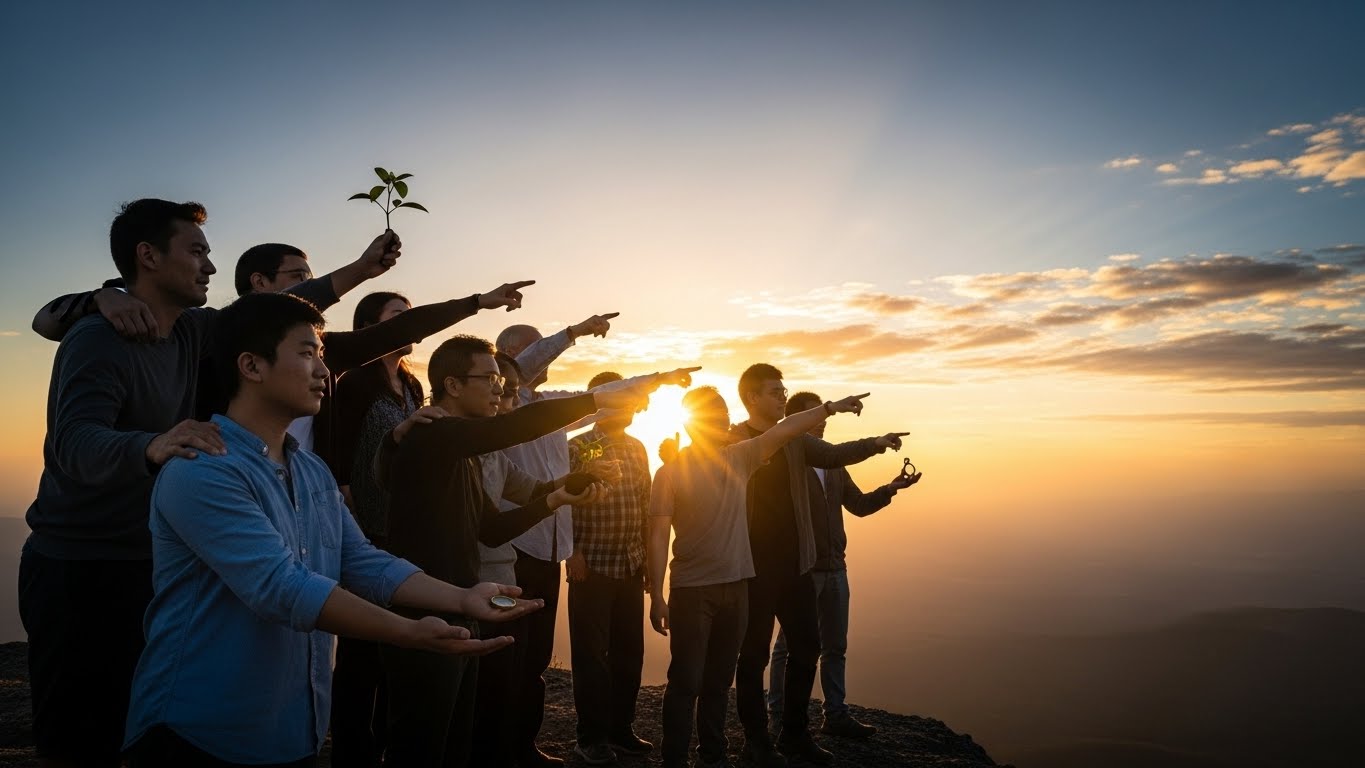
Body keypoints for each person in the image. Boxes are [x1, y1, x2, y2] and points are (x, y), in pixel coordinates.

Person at [122, 291, 543, 766]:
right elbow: (281, 588)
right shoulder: (203, 470)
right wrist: (407, 632)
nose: (324, 371)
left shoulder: (310, 471)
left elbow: (358, 559)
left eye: (322, 355)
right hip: (197, 735)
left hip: (291, 733)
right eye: (307, 354)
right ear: (251, 366)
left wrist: (459, 599)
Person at [20, 199, 236, 768]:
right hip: (79, 570)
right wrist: (151, 443)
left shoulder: (191, 329)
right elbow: (74, 443)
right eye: (197, 251)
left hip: (150, 560)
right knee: (79, 742)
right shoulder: (97, 338)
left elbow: (276, 314)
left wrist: (361, 272)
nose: (211, 266)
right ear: (148, 255)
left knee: (140, 728)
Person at [371, 335, 652, 768]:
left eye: (503, 381)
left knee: (459, 737)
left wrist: (559, 498)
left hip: (464, 604)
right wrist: (595, 397)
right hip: (425, 609)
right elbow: (515, 426)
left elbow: (492, 528)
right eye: (491, 379)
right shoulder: (432, 435)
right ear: (453, 384)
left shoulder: (465, 455)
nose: (501, 390)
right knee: (419, 743)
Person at [496, 315, 697, 767]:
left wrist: (657, 381)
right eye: (534, 349)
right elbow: (568, 491)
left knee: (550, 662)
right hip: (521, 552)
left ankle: (550, 743)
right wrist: (570, 334)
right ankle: (551, 743)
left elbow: (639, 499)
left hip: (590, 556)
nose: (541, 356)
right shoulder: (512, 417)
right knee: (526, 658)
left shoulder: (568, 419)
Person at [647, 387, 871, 768]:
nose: (718, 421)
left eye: (721, 415)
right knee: (686, 681)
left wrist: (829, 408)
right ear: (692, 423)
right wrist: (656, 595)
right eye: (709, 417)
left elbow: (784, 431)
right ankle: (674, 760)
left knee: (718, 682)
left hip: (737, 586)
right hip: (691, 589)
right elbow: (656, 536)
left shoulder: (741, 458)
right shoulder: (669, 473)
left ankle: (713, 757)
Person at [731, 364, 909, 767]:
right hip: (753, 567)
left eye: (783, 390)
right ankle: (756, 742)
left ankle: (794, 734)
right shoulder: (735, 440)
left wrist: (877, 442)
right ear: (751, 398)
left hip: (797, 564)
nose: (781, 396)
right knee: (753, 654)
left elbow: (832, 455)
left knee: (808, 646)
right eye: (775, 391)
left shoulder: (796, 441)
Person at [766, 392, 922, 738]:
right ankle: (777, 712)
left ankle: (834, 714)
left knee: (835, 646)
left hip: (836, 569)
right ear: (796, 422)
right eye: (812, 415)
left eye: (822, 415)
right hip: (803, 569)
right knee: (788, 647)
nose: (821, 420)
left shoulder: (833, 467)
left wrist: (891, 488)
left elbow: (859, 505)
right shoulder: (787, 462)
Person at [328, 292, 421, 768]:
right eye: (397, 316)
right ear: (369, 326)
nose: (408, 323)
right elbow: (339, 456)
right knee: (361, 653)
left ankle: (388, 745)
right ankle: (351, 750)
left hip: (404, 527)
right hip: (364, 527)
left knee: (396, 647)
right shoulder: (355, 383)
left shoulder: (412, 384)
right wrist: (352, 520)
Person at [564, 372, 655, 765]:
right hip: (592, 565)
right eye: (623, 399)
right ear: (599, 403)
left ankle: (621, 730)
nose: (630, 406)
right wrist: (573, 551)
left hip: (630, 564)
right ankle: (591, 738)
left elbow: (646, 505)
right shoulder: (576, 447)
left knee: (628, 653)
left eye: (633, 400)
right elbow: (561, 503)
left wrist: (650, 561)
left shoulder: (637, 448)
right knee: (590, 657)